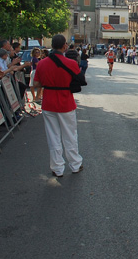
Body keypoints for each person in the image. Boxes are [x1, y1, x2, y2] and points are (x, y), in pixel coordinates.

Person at [33, 34, 83, 177]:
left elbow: (36, 84)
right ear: (64, 46)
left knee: (53, 136)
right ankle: (75, 164)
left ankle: (57, 167)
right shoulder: (71, 63)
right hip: (66, 101)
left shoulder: (42, 63)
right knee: (70, 135)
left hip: (49, 101)